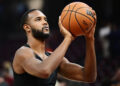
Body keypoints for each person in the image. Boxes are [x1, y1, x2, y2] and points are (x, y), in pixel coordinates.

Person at [12, 9, 97, 86]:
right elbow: (44, 71)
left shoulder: (53, 58)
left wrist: (90, 38)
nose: (45, 22)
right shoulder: (22, 53)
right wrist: (68, 38)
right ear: (27, 27)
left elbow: (88, 77)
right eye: (38, 19)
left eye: (45, 19)